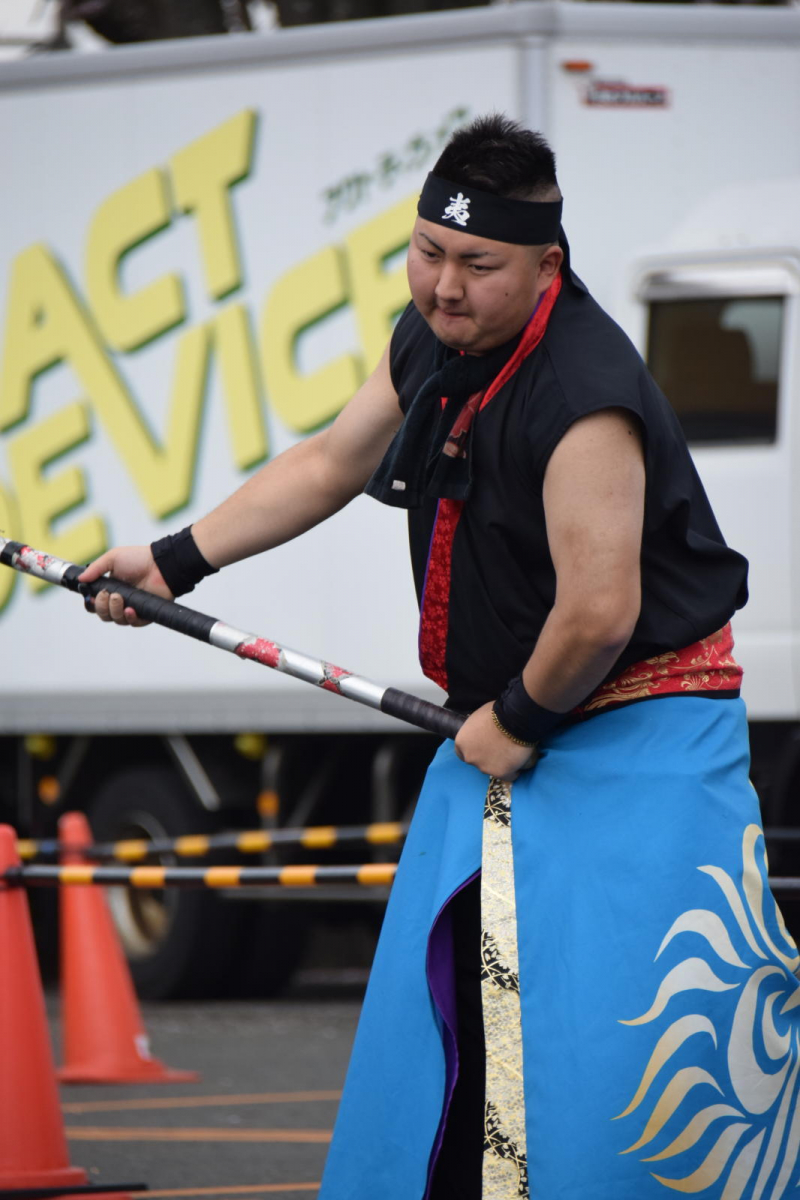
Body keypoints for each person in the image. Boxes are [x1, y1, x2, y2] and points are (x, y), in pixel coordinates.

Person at [81, 116, 800, 1200]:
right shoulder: (431, 339)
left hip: (637, 742)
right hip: (504, 728)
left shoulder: (583, 392)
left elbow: (599, 613)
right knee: (447, 1021)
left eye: (477, 263)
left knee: (619, 1055)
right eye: (427, 252)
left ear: (546, 264)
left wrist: (517, 721)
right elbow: (331, 461)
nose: (444, 286)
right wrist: (173, 562)